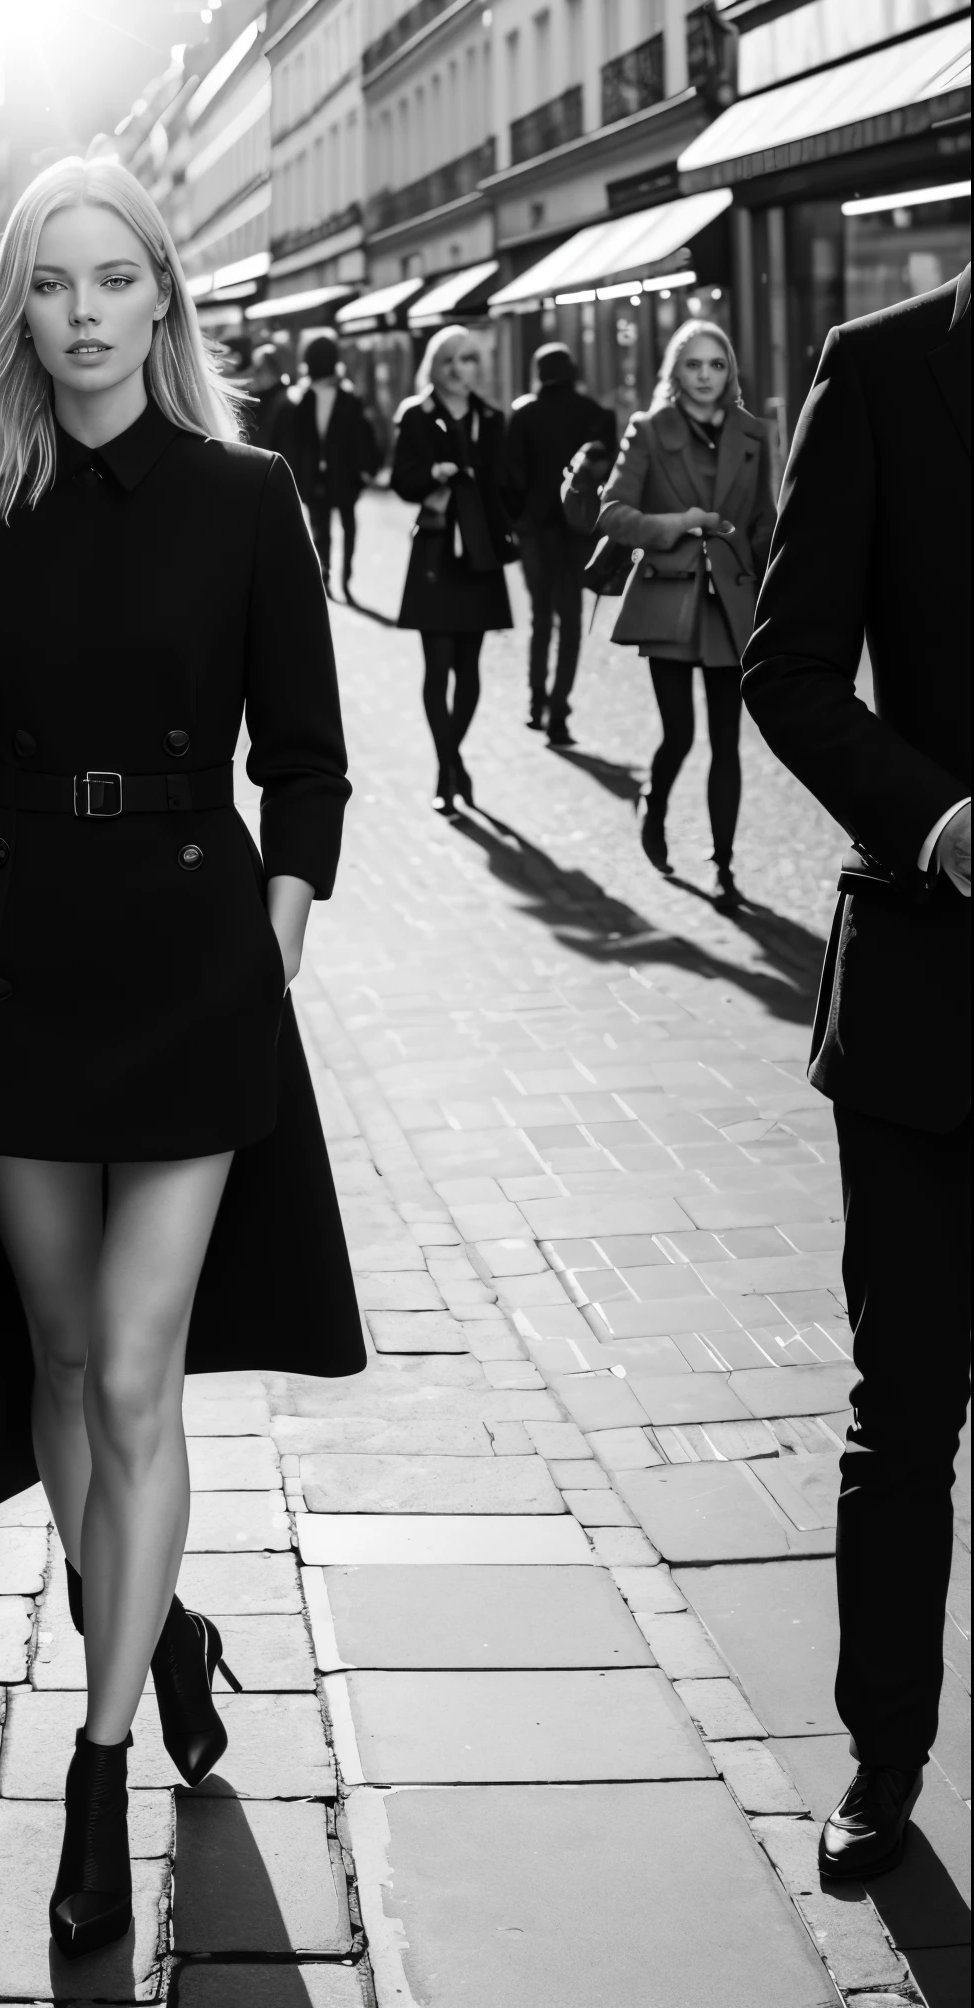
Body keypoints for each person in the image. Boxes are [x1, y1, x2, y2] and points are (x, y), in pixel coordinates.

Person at [0, 154, 364, 1961]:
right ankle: (170, 1628)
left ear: (162, 300)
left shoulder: (246, 496)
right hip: (10, 968)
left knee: (137, 1373)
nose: (78, 312)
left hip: (190, 968)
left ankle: (100, 1755)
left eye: (110, 279)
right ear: (19, 308)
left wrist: (273, 929)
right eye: (48, 282)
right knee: (59, 1355)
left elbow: (307, 754)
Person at [743, 266, 970, 1884]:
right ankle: (882, 1761)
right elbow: (788, 664)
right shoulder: (880, 368)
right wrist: (940, 817)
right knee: (906, 1414)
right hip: (931, 1005)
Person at [596, 320, 776, 910]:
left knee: (727, 741)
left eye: (716, 365)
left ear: (730, 373)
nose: (705, 376)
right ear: (675, 372)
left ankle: (724, 867)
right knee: (680, 733)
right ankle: (655, 807)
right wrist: (677, 524)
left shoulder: (753, 432)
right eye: (694, 365)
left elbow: (763, 521)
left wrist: (774, 568)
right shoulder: (648, 430)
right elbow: (613, 512)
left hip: (732, 603)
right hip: (667, 600)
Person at [389, 327, 514, 812]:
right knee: (437, 666)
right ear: (435, 366)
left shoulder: (491, 418)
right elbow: (401, 480)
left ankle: (450, 759)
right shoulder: (416, 416)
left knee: (470, 667)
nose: (460, 370)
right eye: (451, 361)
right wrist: (433, 476)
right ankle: (448, 769)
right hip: (437, 552)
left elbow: (504, 484)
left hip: (479, 552)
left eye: (469, 360)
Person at [502, 342, 616, 743]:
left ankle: (536, 702)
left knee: (540, 618)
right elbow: (609, 477)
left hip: (535, 530)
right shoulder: (594, 415)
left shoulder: (522, 413)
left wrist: (519, 520)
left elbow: (510, 477)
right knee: (570, 622)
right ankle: (559, 713)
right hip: (577, 533)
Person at [272, 333, 380, 599]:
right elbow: (364, 437)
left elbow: (290, 443)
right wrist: (366, 471)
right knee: (339, 527)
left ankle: (333, 575)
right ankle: (335, 576)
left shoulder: (300, 398)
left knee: (327, 529)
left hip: (326, 476)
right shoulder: (342, 397)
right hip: (335, 476)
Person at [245, 341, 289, 451]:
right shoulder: (262, 399)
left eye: (258, 369)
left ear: (271, 369)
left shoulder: (284, 401)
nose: (253, 373)